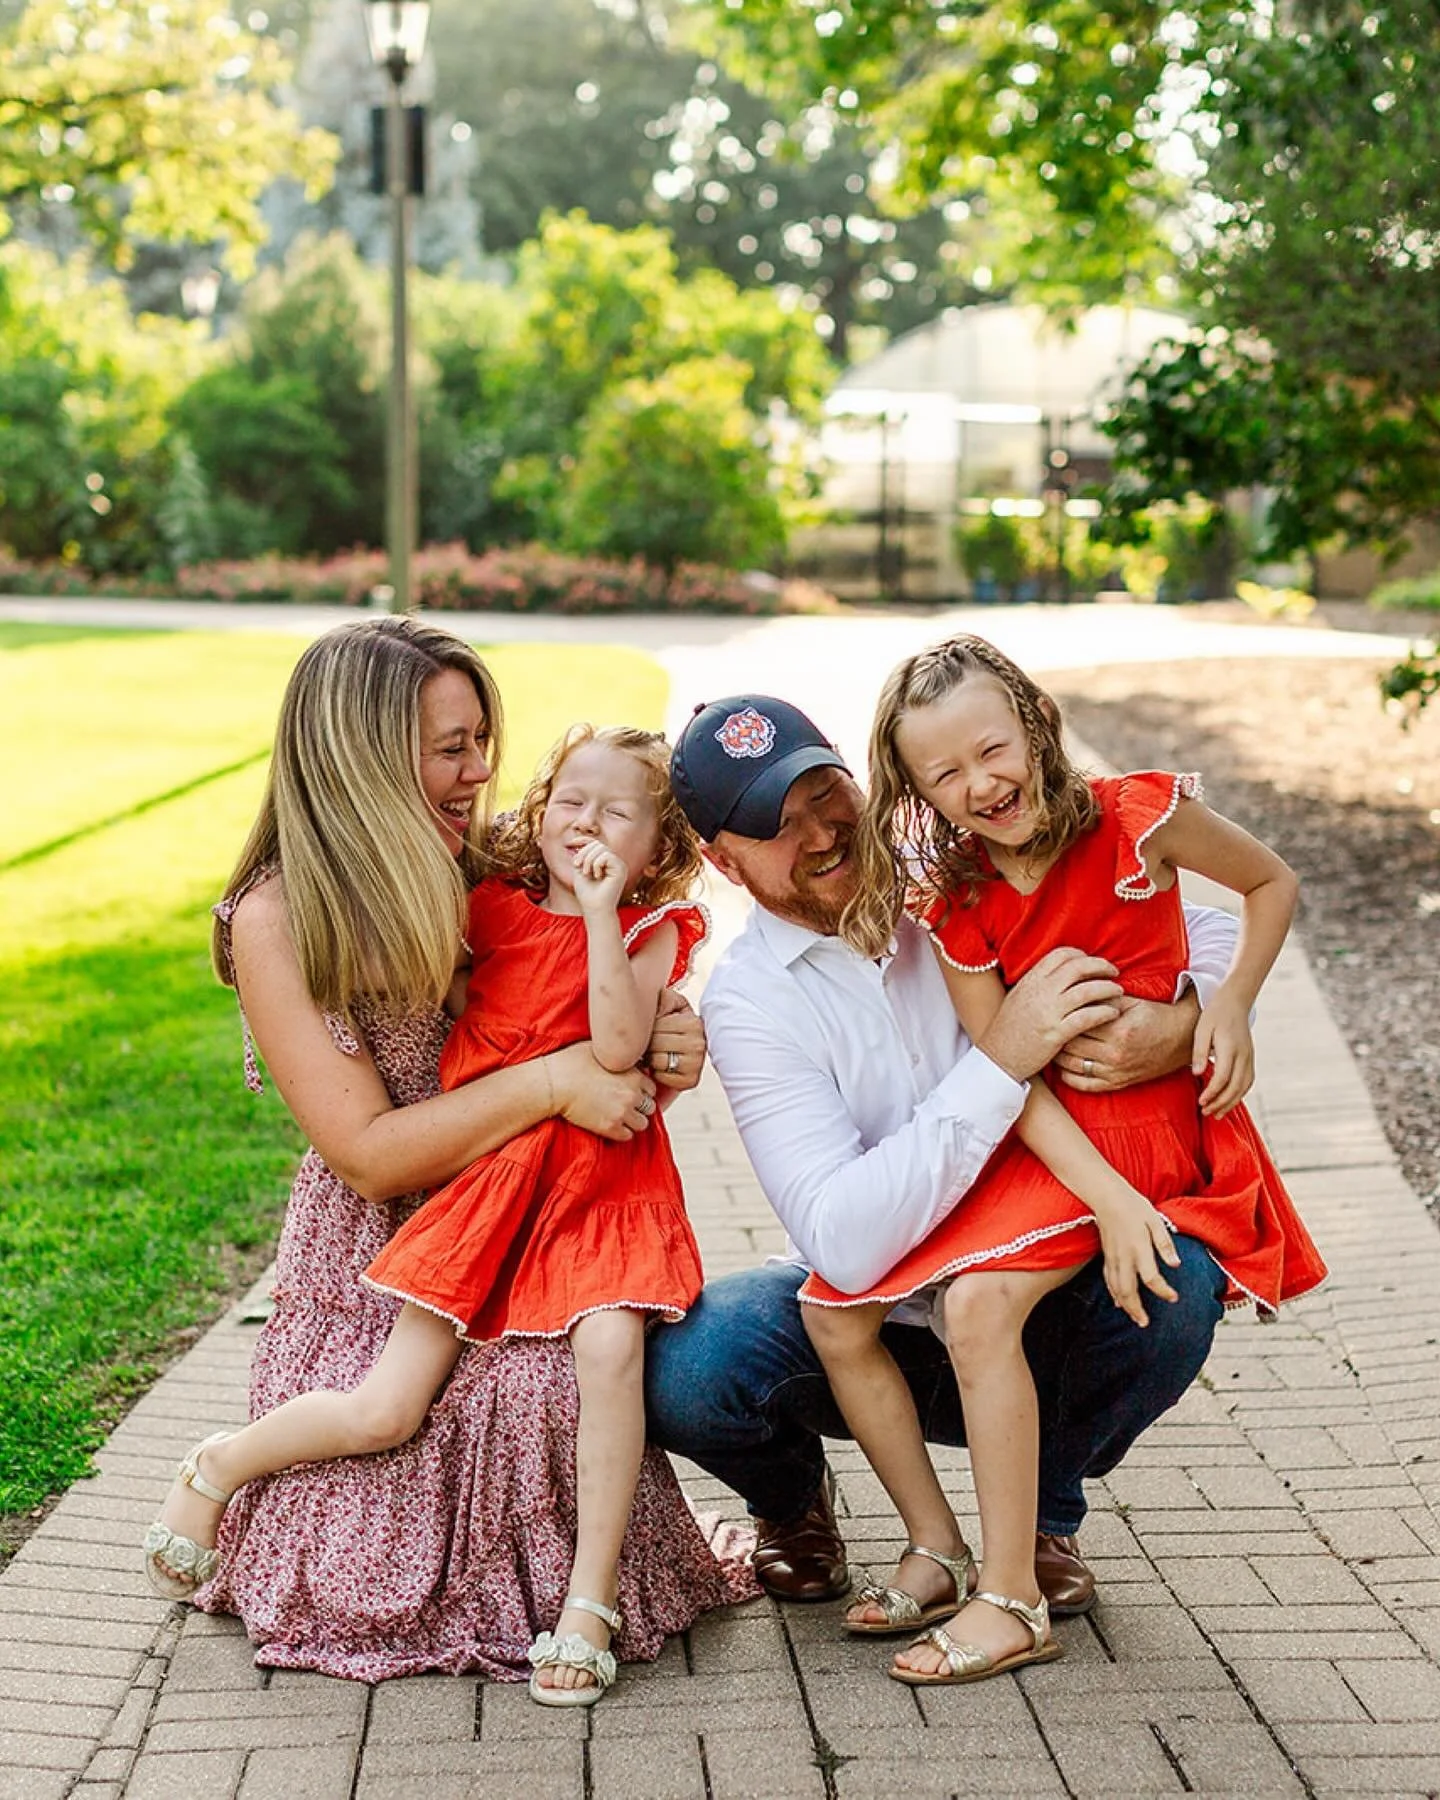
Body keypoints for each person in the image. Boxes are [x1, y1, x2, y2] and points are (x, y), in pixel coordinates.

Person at [142, 618, 751, 1687]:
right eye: (451, 749)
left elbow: (589, 976)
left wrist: (667, 1032)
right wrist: (558, 1081)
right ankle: (221, 1471)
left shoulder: (485, 862)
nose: (481, 775)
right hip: (395, 1231)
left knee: (563, 1390)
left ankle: (587, 1600)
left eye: (482, 742)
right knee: (375, 1465)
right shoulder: (279, 916)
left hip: (542, 1208)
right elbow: (373, 1155)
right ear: (365, 754)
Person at [644, 688, 1242, 1638]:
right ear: (723, 860)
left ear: (854, 774)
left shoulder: (958, 875)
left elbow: (1208, 929)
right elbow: (841, 1239)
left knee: (1180, 1277)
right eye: (773, 825)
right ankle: (798, 1502)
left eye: (821, 792)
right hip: (887, 1323)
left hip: (1040, 1291)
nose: (819, 832)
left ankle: (1042, 1524)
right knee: (689, 1365)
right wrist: (1002, 1058)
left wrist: (1180, 1024)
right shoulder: (750, 1004)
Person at [795, 635, 1327, 1685]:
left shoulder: (1139, 817)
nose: (979, 786)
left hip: (1157, 1126)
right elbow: (1011, 1080)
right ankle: (966, 1561)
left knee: (982, 1309)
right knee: (881, 1302)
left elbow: (1271, 882)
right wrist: (1109, 1202)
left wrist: (1229, 1007)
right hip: (1058, 1143)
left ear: (1034, 719)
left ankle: (1011, 1596)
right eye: (943, 775)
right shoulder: (955, 900)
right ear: (914, 789)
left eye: (991, 750)